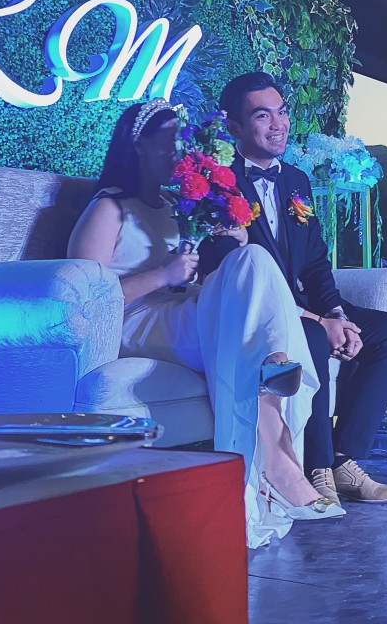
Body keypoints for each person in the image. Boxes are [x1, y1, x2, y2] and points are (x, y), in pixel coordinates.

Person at [67, 99, 342, 549]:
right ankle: (281, 463)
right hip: (135, 321)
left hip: (181, 310)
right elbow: (79, 298)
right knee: (248, 326)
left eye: (183, 142)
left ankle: (273, 366)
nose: (180, 152)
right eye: (169, 142)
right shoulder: (109, 208)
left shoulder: (175, 205)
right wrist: (163, 275)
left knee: (251, 257)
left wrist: (233, 236)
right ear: (138, 145)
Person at [198, 73, 387, 504]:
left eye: (282, 112)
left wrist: (336, 313)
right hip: (257, 311)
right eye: (262, 116)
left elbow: (315, 260)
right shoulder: (217, 183)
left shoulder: (295, 180)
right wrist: (319, 321)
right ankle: (316, 467)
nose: (278, 124)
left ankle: (344, 460)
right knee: (312, 337)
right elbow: (229, 274)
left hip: (306, 304)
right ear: (234, 126)